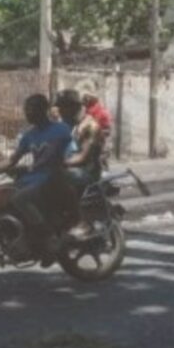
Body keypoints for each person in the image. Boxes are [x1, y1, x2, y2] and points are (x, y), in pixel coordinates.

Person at [0, 94, 74, 266]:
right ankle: (25, 239)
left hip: (53, 177)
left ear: (43, 110)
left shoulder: (61, 129)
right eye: (26, 110)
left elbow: (72, 151)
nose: (27, 113)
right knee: (5, 197)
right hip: (34, 178)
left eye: (31, 109)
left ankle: (49, 237)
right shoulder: (29, 136)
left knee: (20, 198)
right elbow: (13, 159)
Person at [57, 89, 105, 240]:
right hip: (70, 167)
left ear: (73, 107)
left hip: (87, 170)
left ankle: (81, 222)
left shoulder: (90, 126)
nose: (60, 111)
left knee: (59, 179)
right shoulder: (67, 125)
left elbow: (83, 157)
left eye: (63, 107)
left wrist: (59, 163)